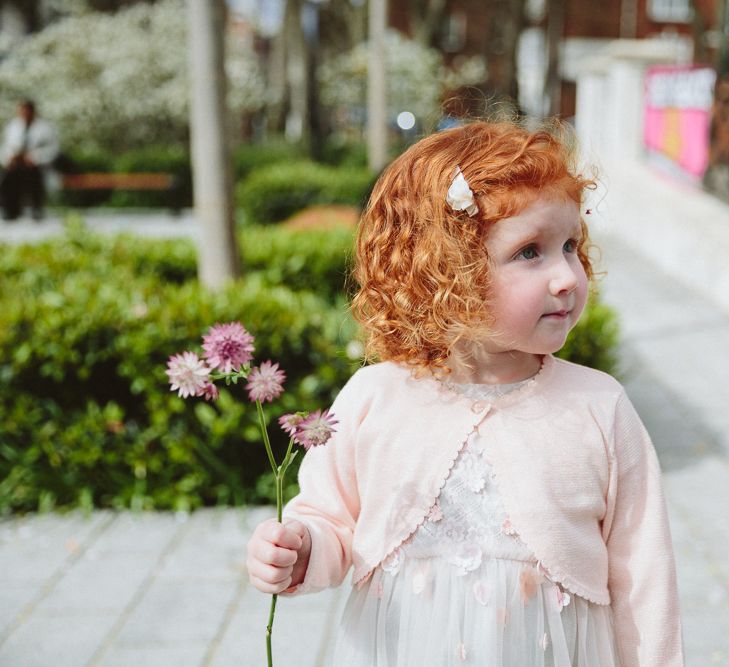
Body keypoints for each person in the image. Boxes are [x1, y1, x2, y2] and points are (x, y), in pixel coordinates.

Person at [246, 121, 683, 666]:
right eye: (530, 252)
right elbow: (334, 521)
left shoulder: (598, 406)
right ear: (445, 271)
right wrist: (302, 549)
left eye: (570, 245)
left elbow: (644, 576)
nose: (567, 276)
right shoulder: (375, 397)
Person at [0, 99, 59, 221]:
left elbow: (53, 150)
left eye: (27, 111)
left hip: (36, 167)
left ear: (33, 112)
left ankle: (36, 209)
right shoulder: (13, 126)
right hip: (16, 166)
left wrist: (35, 157)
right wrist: (9, 158)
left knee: (34, 180)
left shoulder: (45, 128)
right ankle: (11, 211)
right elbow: (6, 147)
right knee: (8, 180)